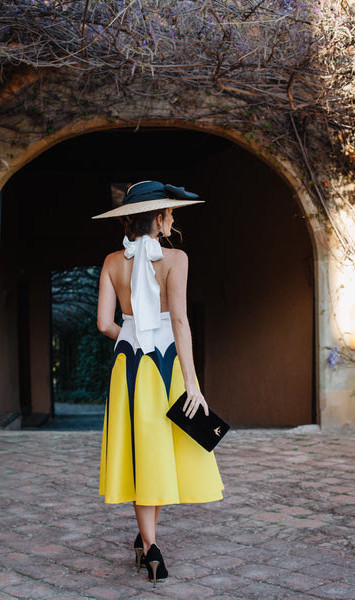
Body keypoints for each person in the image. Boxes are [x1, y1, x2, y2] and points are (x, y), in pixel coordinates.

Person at [93, 181, 224, 586]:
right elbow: (181, 322)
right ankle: (150, 546)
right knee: (160, 450)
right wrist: (192, 383)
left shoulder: (113, 261)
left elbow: (103, 324)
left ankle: (146, 544)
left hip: (129, 367)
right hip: (167, 364)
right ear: (161, 219)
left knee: (139, 450)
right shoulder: (177, 259)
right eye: (170, 214)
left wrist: (133, 334)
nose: (173, 219)